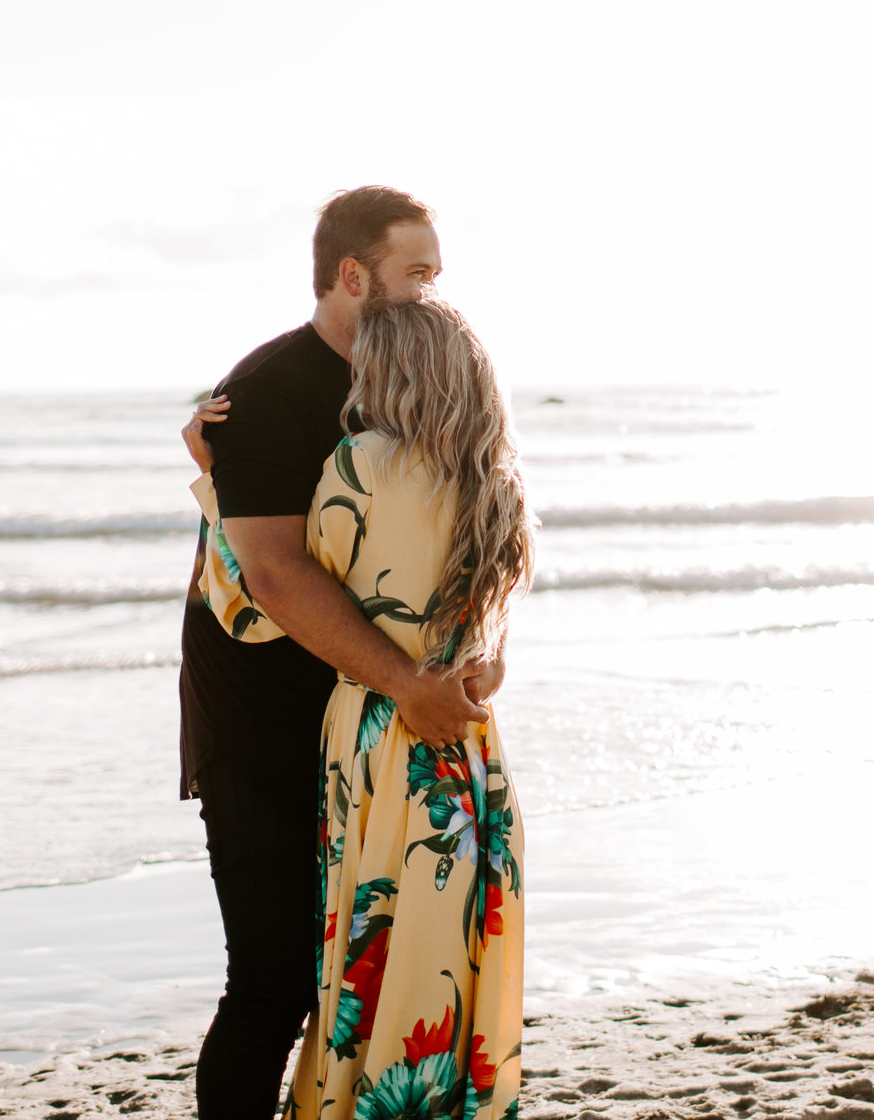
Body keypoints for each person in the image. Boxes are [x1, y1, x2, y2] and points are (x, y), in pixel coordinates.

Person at [177, 187, 497, 1120]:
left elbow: (457, 534)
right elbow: (272, 574)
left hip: (368, 728)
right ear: (353, 276)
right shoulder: (270, 392)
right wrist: (406, 681)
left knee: (368, 974)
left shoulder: (422, 387)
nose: (435, 291)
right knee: (274, 981)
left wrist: (477, 651)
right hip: (264, 724)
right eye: (418, 272)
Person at [281, 294, 528, 1120]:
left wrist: (213, 485)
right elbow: (489, 652)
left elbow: (271, 593)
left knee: (374, 942)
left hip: (385, 734)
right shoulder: (494, 478)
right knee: (448, 955)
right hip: (470, 745)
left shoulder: (363, 463)